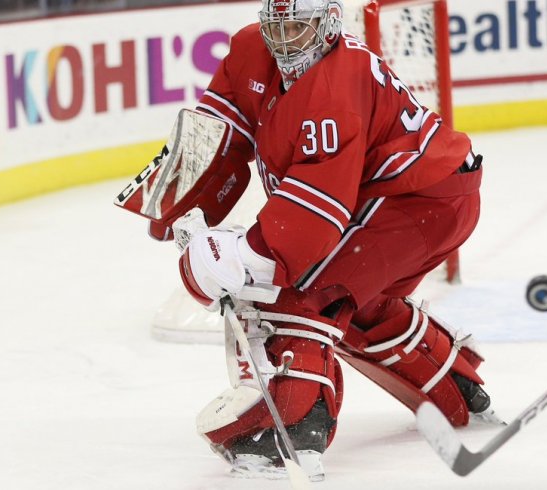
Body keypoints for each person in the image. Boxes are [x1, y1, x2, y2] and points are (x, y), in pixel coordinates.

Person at [155, 0, 491, 481]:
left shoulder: (337, 86)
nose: (286, 41)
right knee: (355, 300)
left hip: (421, 202)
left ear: (330, 23)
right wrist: (180, 204)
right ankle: (456, 385)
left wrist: (245, 254)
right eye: (278, 27)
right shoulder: (249, 50)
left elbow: (314, 212)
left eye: (300, 27)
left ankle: (293, 430)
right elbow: (218, 137)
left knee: (300, 292)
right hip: (400, 196)